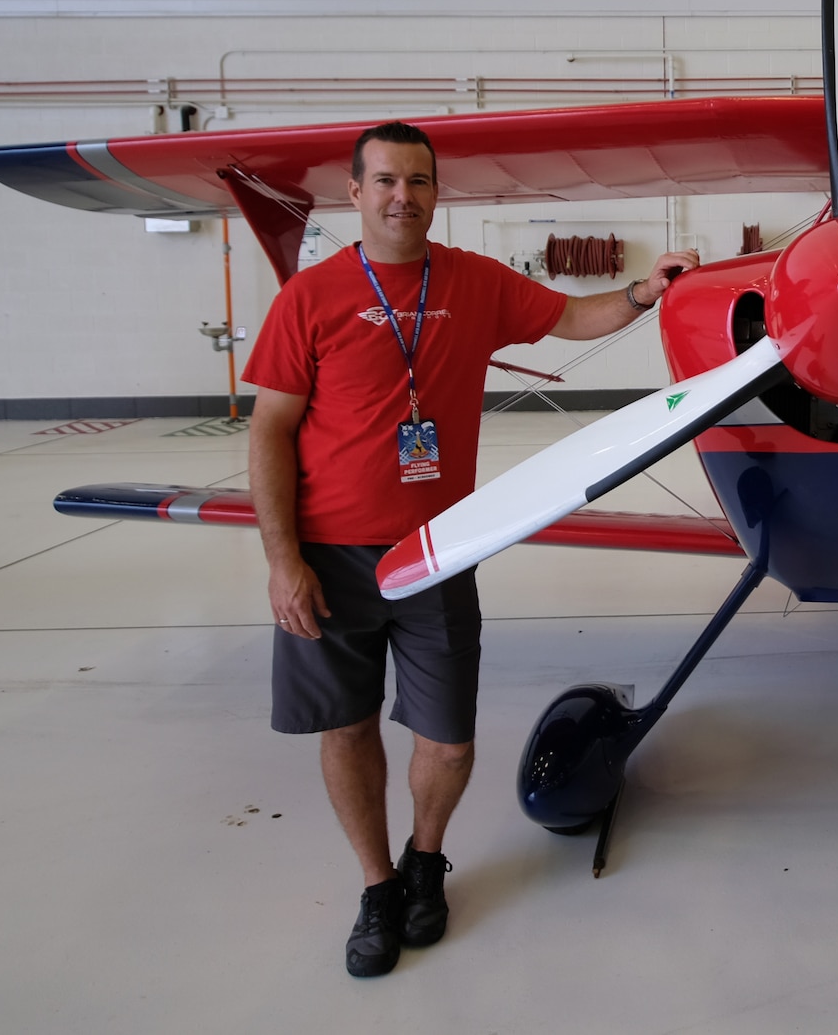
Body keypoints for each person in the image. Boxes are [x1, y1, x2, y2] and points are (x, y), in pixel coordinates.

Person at [243, 121, 699, 977]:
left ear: (435, 192)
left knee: (447, 740)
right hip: (331, 551)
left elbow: (570, 315)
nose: (401, 197)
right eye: (383, 181)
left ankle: (427, 859)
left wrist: (645, 293)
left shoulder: (471, 281)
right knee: (346, 730)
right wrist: (281, 559)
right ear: (355, 193)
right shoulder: (309, 297)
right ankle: (378, 886)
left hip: (438, 551)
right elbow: (270, 429)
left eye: (416, 181)